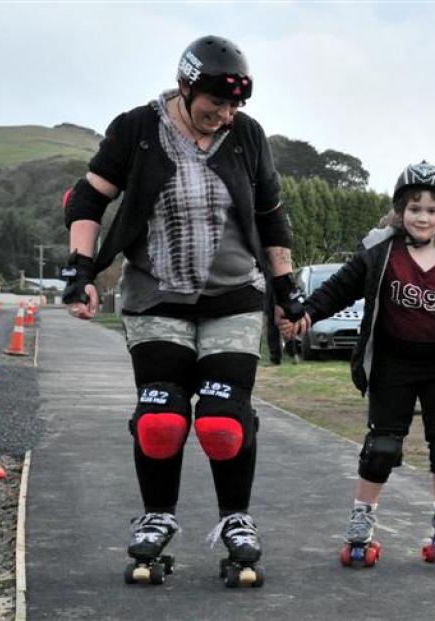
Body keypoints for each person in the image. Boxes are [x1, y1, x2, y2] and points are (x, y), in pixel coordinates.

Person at [62, 36, 306, 584]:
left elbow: (271, 217)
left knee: (223, 422)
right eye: (212, 107)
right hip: (155, 295)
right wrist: (80, 270)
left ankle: (236, 520)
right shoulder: (137, 129)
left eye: (233, 108)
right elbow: (88, 197)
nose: (223, 117)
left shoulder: (246, 136)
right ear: (186, 87)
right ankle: (157, 516)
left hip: (234, 296)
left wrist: (288, 289)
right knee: (161, 420)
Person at [278, 161, 435, 566]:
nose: (422, 217)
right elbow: (341, 287)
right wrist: (305, 313)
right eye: (414, 208)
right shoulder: (381, 249)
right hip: (391, 363)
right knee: (381, 449)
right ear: (401, 211)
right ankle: (362, 518)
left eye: (432, 210)